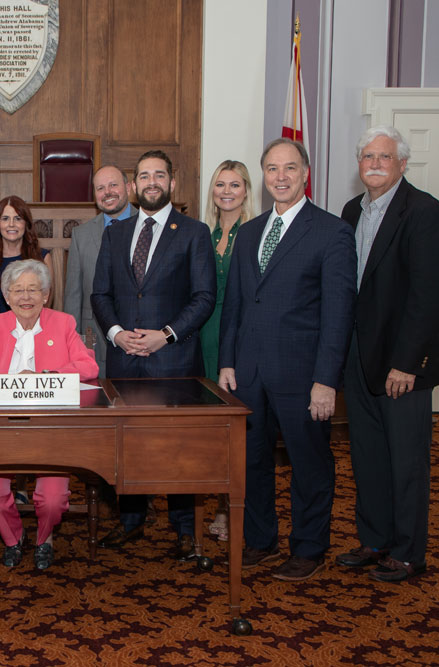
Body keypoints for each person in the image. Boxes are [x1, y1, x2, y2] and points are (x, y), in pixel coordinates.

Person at [218, 138, 356, 582]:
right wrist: (226, 362)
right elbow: (235, 305)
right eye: (272, 169)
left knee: (309, 464)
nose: (280, 177)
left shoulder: (332, 232)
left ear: (305, 173)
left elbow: (339, 315)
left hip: (303, 376)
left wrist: (326, 380)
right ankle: (260, 540)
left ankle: (309, 549)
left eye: (290, 168)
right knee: (252, 462)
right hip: (249, 373)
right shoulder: (251, 231)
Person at [335, 126, 439, 582]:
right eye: (367, 157)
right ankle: (375, 540)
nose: (375, 164)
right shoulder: (351, 211)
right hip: (359, 359)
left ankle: (407, 551)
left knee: (406, 461)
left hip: (401, 365)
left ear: (402, 163)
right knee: (367, 456)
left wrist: (407, 362)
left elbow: (427, 298)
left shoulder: (425, 213)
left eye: (385, 157)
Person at [91, 149, 217, 561]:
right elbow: (100, 294)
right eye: (143, 176)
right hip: (124, 360)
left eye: (158, 175)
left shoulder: (194, 232)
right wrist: (115, 334)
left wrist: (165, 335)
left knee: (175, 447)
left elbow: (204, 298)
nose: (151, 183)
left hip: (173, 361)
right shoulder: (115, 234)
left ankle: (184, 528)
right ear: (133, 186)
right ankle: (131, 521)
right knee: (125, 444)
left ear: (171, 183)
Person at [0, 259, 98, 569]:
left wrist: (45, 374)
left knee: (53, 500)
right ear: (6, 295)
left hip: (50, 429)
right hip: (0, 430)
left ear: (46, 295)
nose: (25, 297)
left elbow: (89, 367)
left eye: (33, 289)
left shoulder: (64, 323)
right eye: (18, 290)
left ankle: (44, 538)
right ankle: (13, 538)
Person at [199, 160, 257, 542]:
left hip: (238, 332)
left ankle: (230, 509)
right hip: (202, 332)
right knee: (206, 429)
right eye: (220, 184)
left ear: (246, 191)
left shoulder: (253, 232)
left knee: (234, 428)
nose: (226, 192)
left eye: (235, 185)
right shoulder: (201, 233)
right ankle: (211, 501)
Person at [64, 165, 136, 376]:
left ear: (129, 187)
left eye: (113, 185)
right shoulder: (81, 235)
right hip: (94, 336)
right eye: (100, 188)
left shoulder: (148, 226)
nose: (108, 192)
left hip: (139, 337)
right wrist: (72, 340)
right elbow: (73, 294)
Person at [0, 195, 53, 313]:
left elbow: (46, 302)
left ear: (26, 224)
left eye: (18, 218)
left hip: (31, 327)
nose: (11, 224)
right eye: (5, 218)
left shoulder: (42, 257)